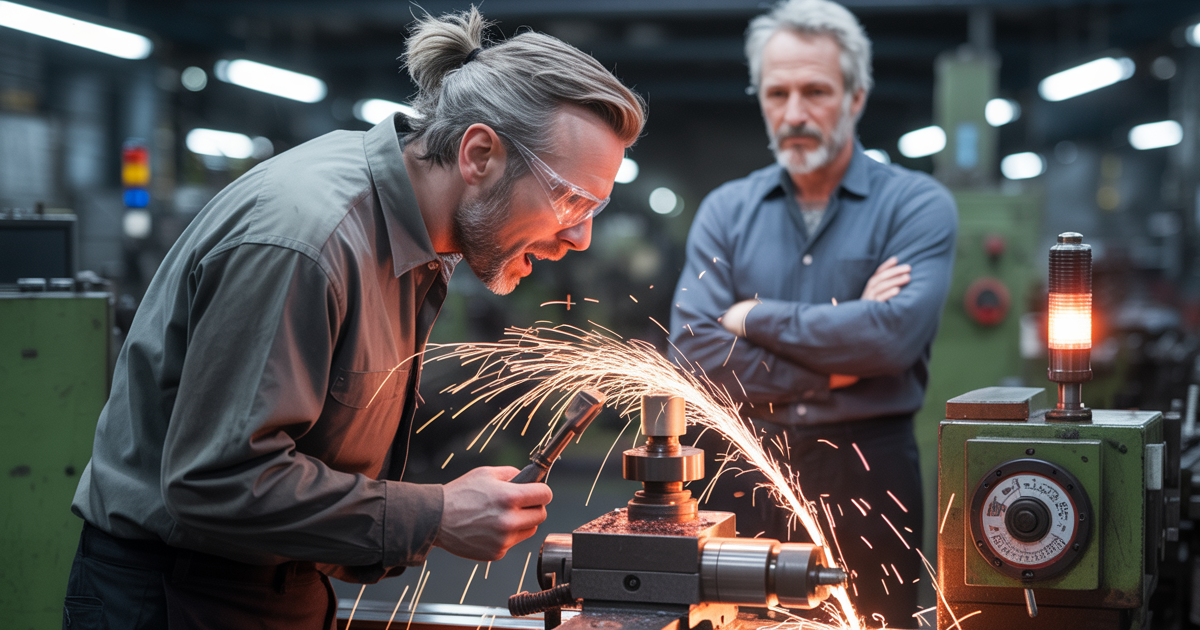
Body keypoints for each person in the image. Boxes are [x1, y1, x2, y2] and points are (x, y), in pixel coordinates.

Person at [64, 8, 646, 630]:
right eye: (569, 199)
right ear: (479, 154)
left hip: (281, 582)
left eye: (596, 205)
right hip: (176, 599)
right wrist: (437, 514)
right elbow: (215, 482)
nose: (581, 237)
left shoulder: (417, 230)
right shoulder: (307, 243)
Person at [668, 0, 955, 624]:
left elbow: (891, 342)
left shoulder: (917, 206)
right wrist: (835, 359)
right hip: (742, 464)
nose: (794, 114)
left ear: (855, 96)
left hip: (867, 474)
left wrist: (754, 316)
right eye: (778, 93)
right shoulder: (725, 210)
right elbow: (691, 351)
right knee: (731, 620)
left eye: (816, 91)